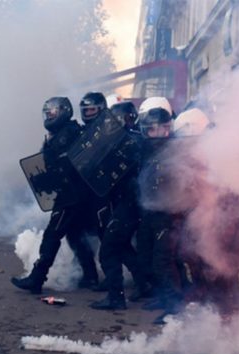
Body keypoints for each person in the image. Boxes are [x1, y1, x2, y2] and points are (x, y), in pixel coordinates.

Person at [11, 97, 99, 294]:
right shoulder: (62, 132)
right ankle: (91, 277)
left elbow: (60, 165)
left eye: (52, 112)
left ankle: (37, 278)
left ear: (63, 112)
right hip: (73, 194)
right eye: (47, 113)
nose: (49, 116)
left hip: (71, 196)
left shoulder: (67, 134)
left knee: (52, 235)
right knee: (75, 236)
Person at [89, 100, 152, 310]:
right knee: (122, 246)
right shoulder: (128, 140)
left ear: (128, 119)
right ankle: (143, 284)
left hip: (131, 204)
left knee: (108, 250)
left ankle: (116, 298)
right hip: (127, 203)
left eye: (118, 119)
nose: (113, 123)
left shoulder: (132, 142)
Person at [134, 97, 190, 324]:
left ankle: (173, 306)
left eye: (153, 129)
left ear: (166, 129)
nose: (149, 134)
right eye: (147, 130)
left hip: (168, 212)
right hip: (152, 210)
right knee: (149, 257)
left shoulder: (175, 151)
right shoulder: (150, 149)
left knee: (163, 260)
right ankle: (161, 297)